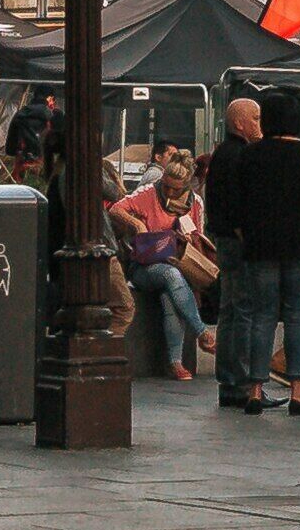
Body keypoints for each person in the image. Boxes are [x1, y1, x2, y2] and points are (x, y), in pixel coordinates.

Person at [237, 89, 300, 414]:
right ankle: (298, 390)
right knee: (297, 318)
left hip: (260, 247)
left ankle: (256, 389)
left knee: (262, 317)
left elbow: (237, 202)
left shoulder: (250, 155)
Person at [111, 148, 210, 376]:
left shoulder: (195, 203)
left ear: (186, 187)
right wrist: (137, 225)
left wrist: (187, 240)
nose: (168, 192)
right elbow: (117, 208)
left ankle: (175, 362)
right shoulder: (149, 193)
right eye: (166, 186)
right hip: (144, 266)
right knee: (170, 276)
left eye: (175, 189)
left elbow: (199, 241)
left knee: (170, 295)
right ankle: (202, 332)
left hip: (178, 266)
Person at [203, 92, 261, 407]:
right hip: (237, 243)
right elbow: (238, 205)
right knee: (242, 310)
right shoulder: (239, 156)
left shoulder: (223, 153)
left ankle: (228, 380)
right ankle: (240, 381)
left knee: (230, 309)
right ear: (239, 123)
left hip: (224, 239)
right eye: (255, 118)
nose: (259, 124)